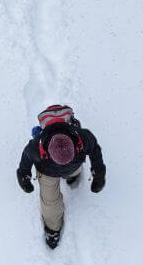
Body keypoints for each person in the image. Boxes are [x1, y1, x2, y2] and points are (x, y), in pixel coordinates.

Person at [16, 104, 105, 248]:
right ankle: (53, 228)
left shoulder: (83, 137)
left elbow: (95, 149)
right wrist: (23, 175)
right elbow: (26, 159)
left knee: (73, 170)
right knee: (50, 202)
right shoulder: (36, 147)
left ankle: (72, 175)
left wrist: (99, 170)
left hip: (73, 165)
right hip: (48, 172)